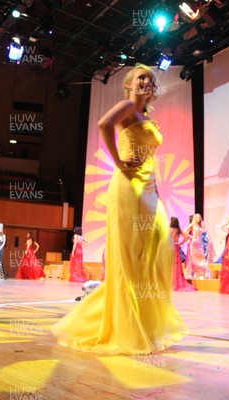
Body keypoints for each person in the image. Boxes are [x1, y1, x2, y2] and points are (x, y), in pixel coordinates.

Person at [52, 64, 188, 354]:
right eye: (141, 78)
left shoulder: (147, 116)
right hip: (128, 184)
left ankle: (139, 316)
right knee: (129, 253)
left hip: (149, 186)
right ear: (129, 84)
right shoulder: (127, 106)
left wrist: (158, 190)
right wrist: (118, 161)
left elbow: (149, 157)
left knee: (158, 242)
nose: (146, 82)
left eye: (150, 80)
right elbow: (103, 124)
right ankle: (126, 325)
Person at [183, 213, 213, 279]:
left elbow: (203, 233)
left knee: (201, 258)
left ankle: (202, 273)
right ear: (194, 218)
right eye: (197, 217)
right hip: (194, 243)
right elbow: (185, 231)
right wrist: (191, 237)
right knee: (194, 258)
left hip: (200, 243)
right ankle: (192, 273)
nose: (198, 219)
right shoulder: (192, 224)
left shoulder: (200, 225)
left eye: (199, 217)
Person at [170, 217, 196, 292]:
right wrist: (180, 243)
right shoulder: (178, 229)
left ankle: (172, 284)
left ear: (172, 222)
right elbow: (186, 237)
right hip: (176, 247)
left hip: (170, 248)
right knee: (177, 267)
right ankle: (177, 283)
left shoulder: (169, 229)